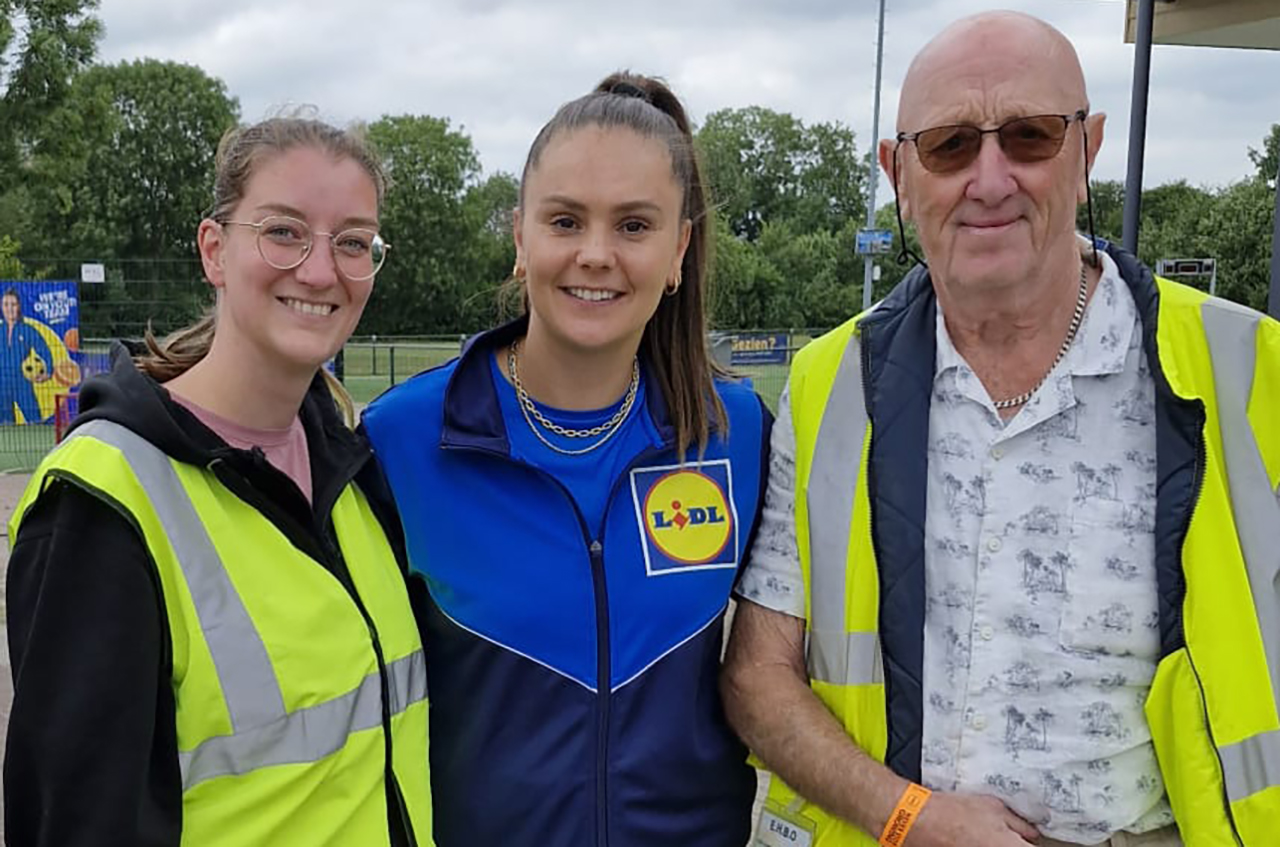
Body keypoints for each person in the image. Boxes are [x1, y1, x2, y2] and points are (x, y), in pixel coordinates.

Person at [721, 11, 1279, 847]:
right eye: (949, 145)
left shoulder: (1250, 368)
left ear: (1087, 153)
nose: (990, 179)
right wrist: (909, 816)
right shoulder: (831, 382)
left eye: (1028, 137)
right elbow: (758, 675)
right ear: (898, 173)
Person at [363, 72, 771, 846]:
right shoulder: (402, 439)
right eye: (565, 220)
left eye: (634, 226)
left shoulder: (737, 430)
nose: (595, 254)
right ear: (521, 238)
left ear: (679, 249)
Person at [4, 116, 433, 847]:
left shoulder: (354, 467)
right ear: (214, 250)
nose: (322, 270)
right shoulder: (103, 503)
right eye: (285, 231)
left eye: (354, 241)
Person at [1, 287, 53, 423]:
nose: (9, 308)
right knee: (5, 426)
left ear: (19, 306)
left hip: (22, 382)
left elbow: (44, 349)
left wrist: (48, 371)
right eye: (6, 304)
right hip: (2, 383)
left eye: (13, 304)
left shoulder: (27, 330)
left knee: (35, 421)